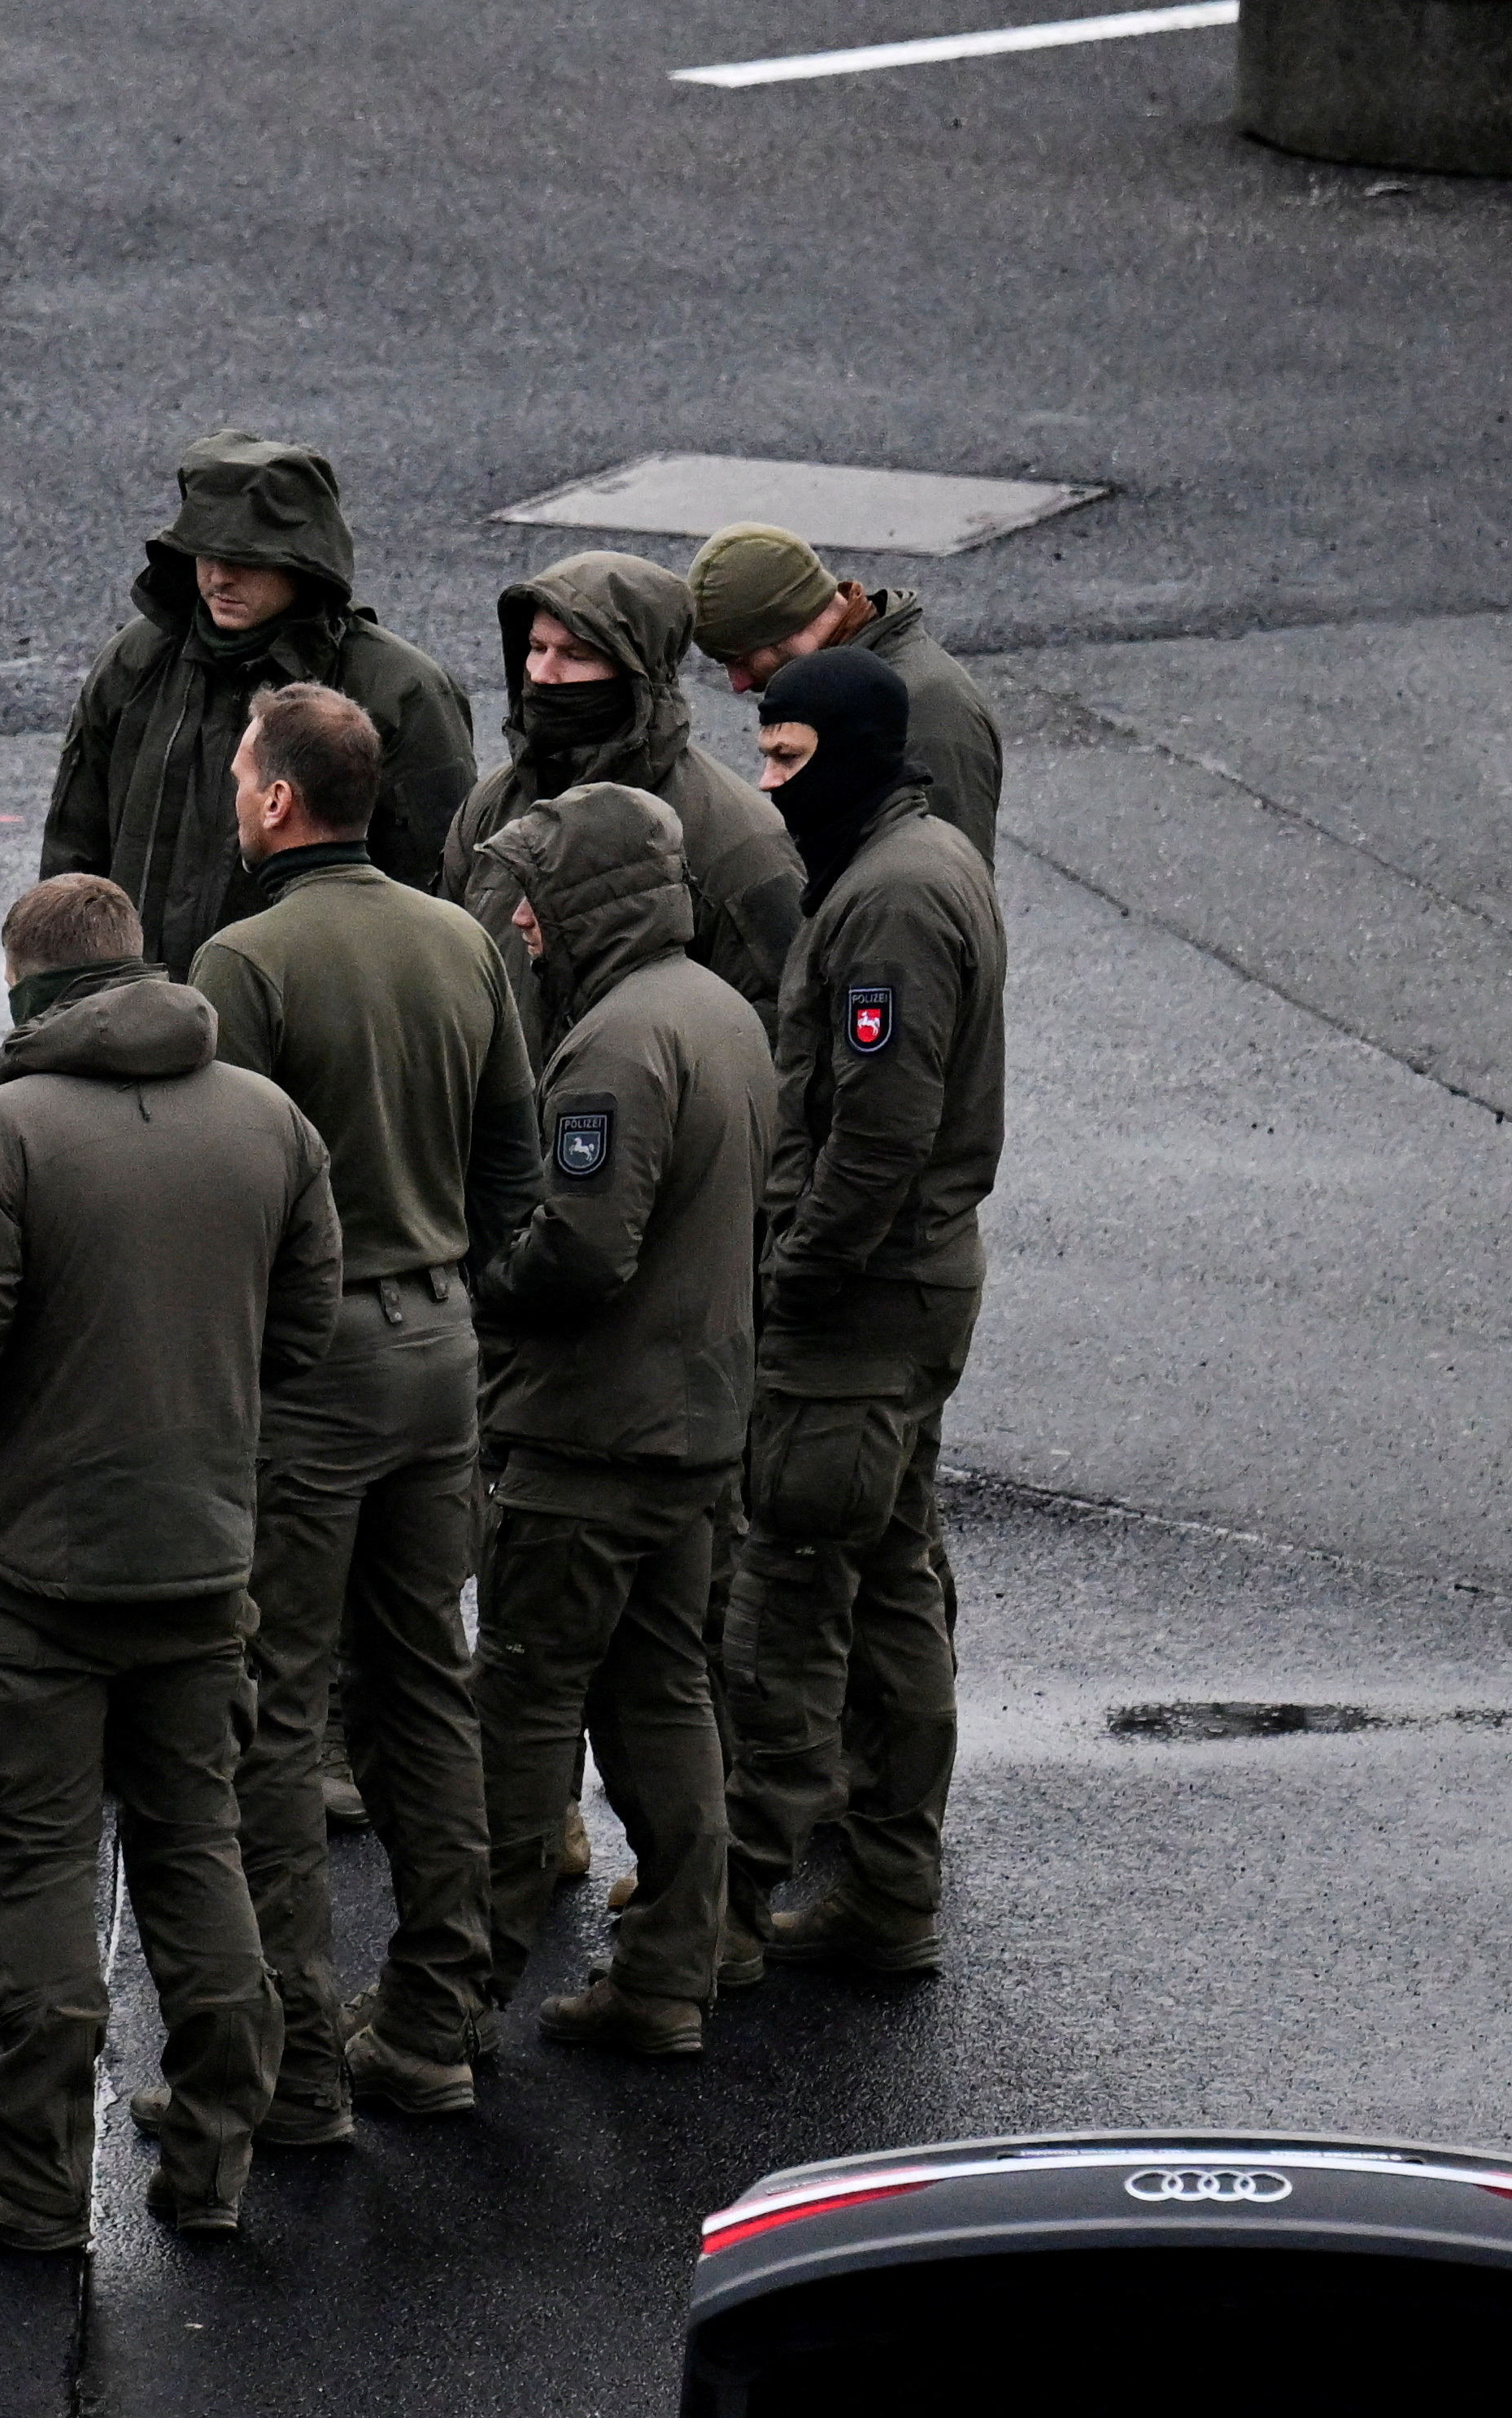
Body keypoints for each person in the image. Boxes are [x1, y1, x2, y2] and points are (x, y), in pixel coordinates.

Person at [0, 874, 342, 2251]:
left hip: (37, 1570)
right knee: (198, 1847)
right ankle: (213, 2158)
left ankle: (35, 2181)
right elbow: (307, 1329)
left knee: (36, 1870)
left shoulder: (7, 1130)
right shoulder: (268, 1119)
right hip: (206, 1560)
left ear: (28, 987)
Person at [185, 684, 535, 2127]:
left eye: (238, 776)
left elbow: (218, 1185)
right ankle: (435, 2019)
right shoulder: (459, 938)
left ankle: (290, 2058)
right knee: (422, 1685)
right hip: (440, 1343)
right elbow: (517, 1163)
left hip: (312, 1366)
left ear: (275, 800)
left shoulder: (245, 956)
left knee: (273, 1704)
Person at [462, 785, 775, 2057]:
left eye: (534, 895)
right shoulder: (720, 1012)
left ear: (582, 902)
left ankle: (443, 2006)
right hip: (692, 1432)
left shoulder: (611, 1045)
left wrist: (478, 1288)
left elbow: (581, 1254)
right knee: (663, 1701)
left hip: (587, 1441)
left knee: (523, 1712)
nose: (520, 923)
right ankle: (668, 1977)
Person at [724, 647, 1004, 1980]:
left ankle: (723, 1905)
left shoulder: (889, 900)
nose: (771, 790)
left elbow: (878, 1130)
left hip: (860, 1301)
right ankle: (887, 1883)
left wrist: (792, 1280)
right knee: (891, 1580)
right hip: (908, 1286)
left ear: (847, 749)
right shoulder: (918, 860)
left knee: (791, 1591)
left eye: (787, 760)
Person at [40, 433, 478, 973]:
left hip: (298, 1029)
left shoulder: (398, 692)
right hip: (134, 1017)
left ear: (304, 563)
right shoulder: (137, 661)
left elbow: (439, 895)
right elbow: (72, 854)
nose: (220, 576)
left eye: (245, 558)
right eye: (205, 551)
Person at [443, 550, 803, 1015]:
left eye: (575, 655)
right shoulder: (494, 804)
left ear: (635, 677)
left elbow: (775, 1032)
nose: (542, 674)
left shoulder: (735, 841)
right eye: (536, 648)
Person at [685, 525, 1004, 862]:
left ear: (787, 626)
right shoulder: (839, 692)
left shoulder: (926, 709)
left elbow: (938, 881)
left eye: (740, 659)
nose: (738, 683)